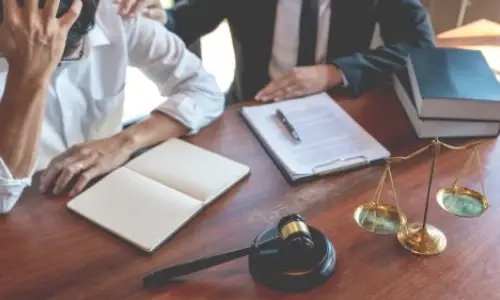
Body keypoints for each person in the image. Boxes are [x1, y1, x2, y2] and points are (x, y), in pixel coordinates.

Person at [0, 0, 224, 212]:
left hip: (107, 189)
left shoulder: (113, 16)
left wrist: (124, 142)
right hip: (25, 210)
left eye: (69, 55)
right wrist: (30, 72)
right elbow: (3, 197)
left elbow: (204, 89)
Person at [118, 0, 436, 104]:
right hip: (252, 105)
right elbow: (185, 20)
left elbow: (422, 49)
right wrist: (158, 17)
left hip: (340, 107)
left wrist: (334, 72)